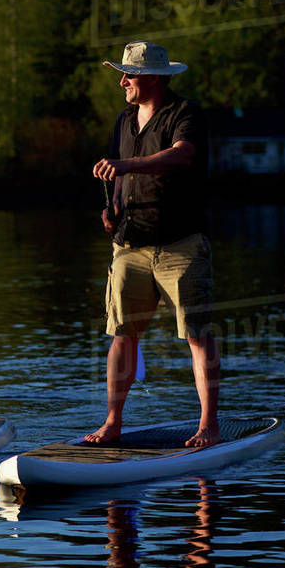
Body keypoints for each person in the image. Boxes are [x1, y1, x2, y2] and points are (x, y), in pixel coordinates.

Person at [88, 41, 220, 448]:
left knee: (197, 334)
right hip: (130, 245)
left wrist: (127, 165)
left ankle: (208, 426)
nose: (122, 80)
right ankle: (112, 424)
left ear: (154, 79)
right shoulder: (124, 120)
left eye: (128, 73)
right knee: (123, 333)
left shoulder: (185, 113)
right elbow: (117, 174)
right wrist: (111, 209)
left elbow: (182, 157)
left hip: (181, 244)